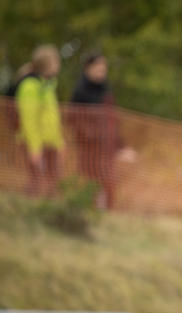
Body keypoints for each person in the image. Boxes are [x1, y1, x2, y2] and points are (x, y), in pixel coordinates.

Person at [14, 44, 65, 197]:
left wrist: (59, 143)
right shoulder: (29, 86)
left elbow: (52, 118)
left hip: (50, 143)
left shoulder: (48, 85)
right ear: (47, 64)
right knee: (36, 183)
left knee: (53, 183)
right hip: (35, 144)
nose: (59, 65)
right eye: (56, 61)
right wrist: (34, 148)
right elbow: (28, 120)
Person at [69, 51, 118, 209]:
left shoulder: (106, 90)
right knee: (87, 179)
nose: (101, 71)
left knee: (108, 180)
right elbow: (73, 119)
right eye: (98, 67)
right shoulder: (80, 91)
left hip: (106, 146)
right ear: (88, 68)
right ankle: (84, 209)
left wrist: (120, 145)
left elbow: (113, 120)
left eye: (104, 68)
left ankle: (105, 212)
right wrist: (91, 134)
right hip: (88, 146)